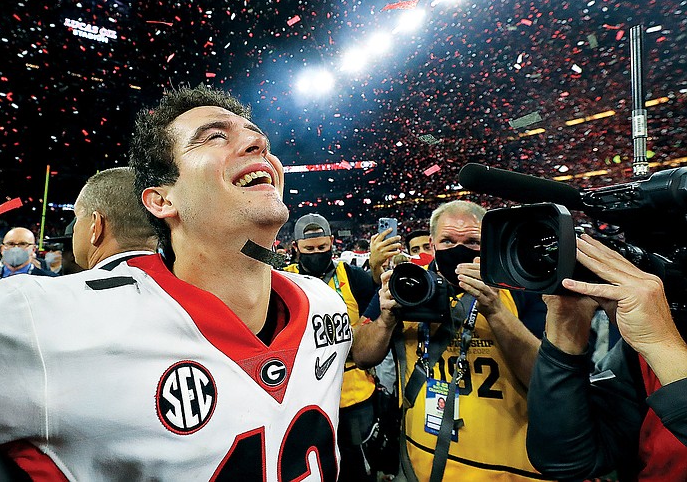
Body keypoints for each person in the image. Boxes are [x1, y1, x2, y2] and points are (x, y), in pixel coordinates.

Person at [0, 84, 351, 480]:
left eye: (257, 136)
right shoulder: (42, 320)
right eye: (214, 137)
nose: (258, 144)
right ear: (161, 199)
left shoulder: (324, 306)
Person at [353, 199, 548, 481]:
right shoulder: (408, 283)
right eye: (447, 241)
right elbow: (362, 355)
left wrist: (494, 309)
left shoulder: (519, 285)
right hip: (423, 465)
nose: (459, 249)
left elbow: (546, 380)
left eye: (472, 241)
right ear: (432, 244)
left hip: (510, 469)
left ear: (489, 243)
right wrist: (386, 319)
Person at [526, 234, 687, 480]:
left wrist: (661, 344)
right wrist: (567, 324)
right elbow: (566, 460)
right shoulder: (648, 351)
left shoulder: (661, 343)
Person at [283, 213, 380, 481]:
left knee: (356, 463)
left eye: (322, 248)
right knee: (314, 463)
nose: (316, 254)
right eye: (309, 249)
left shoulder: (354, 277)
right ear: (296, 248)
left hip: (352, 392)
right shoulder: (282, 280)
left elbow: (377, 316)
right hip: (305, 393)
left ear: (332, 244)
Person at [71, 166, 158, 270]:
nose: (74, 228)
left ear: (96, 226)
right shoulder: (180, 283)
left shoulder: (56, 286)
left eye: (77, 217)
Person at [0, 227, 57, 294]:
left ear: (33, 249)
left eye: (23, 244)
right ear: (2, 249)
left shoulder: (50, 282)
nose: (16, 248)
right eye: (11, 244)